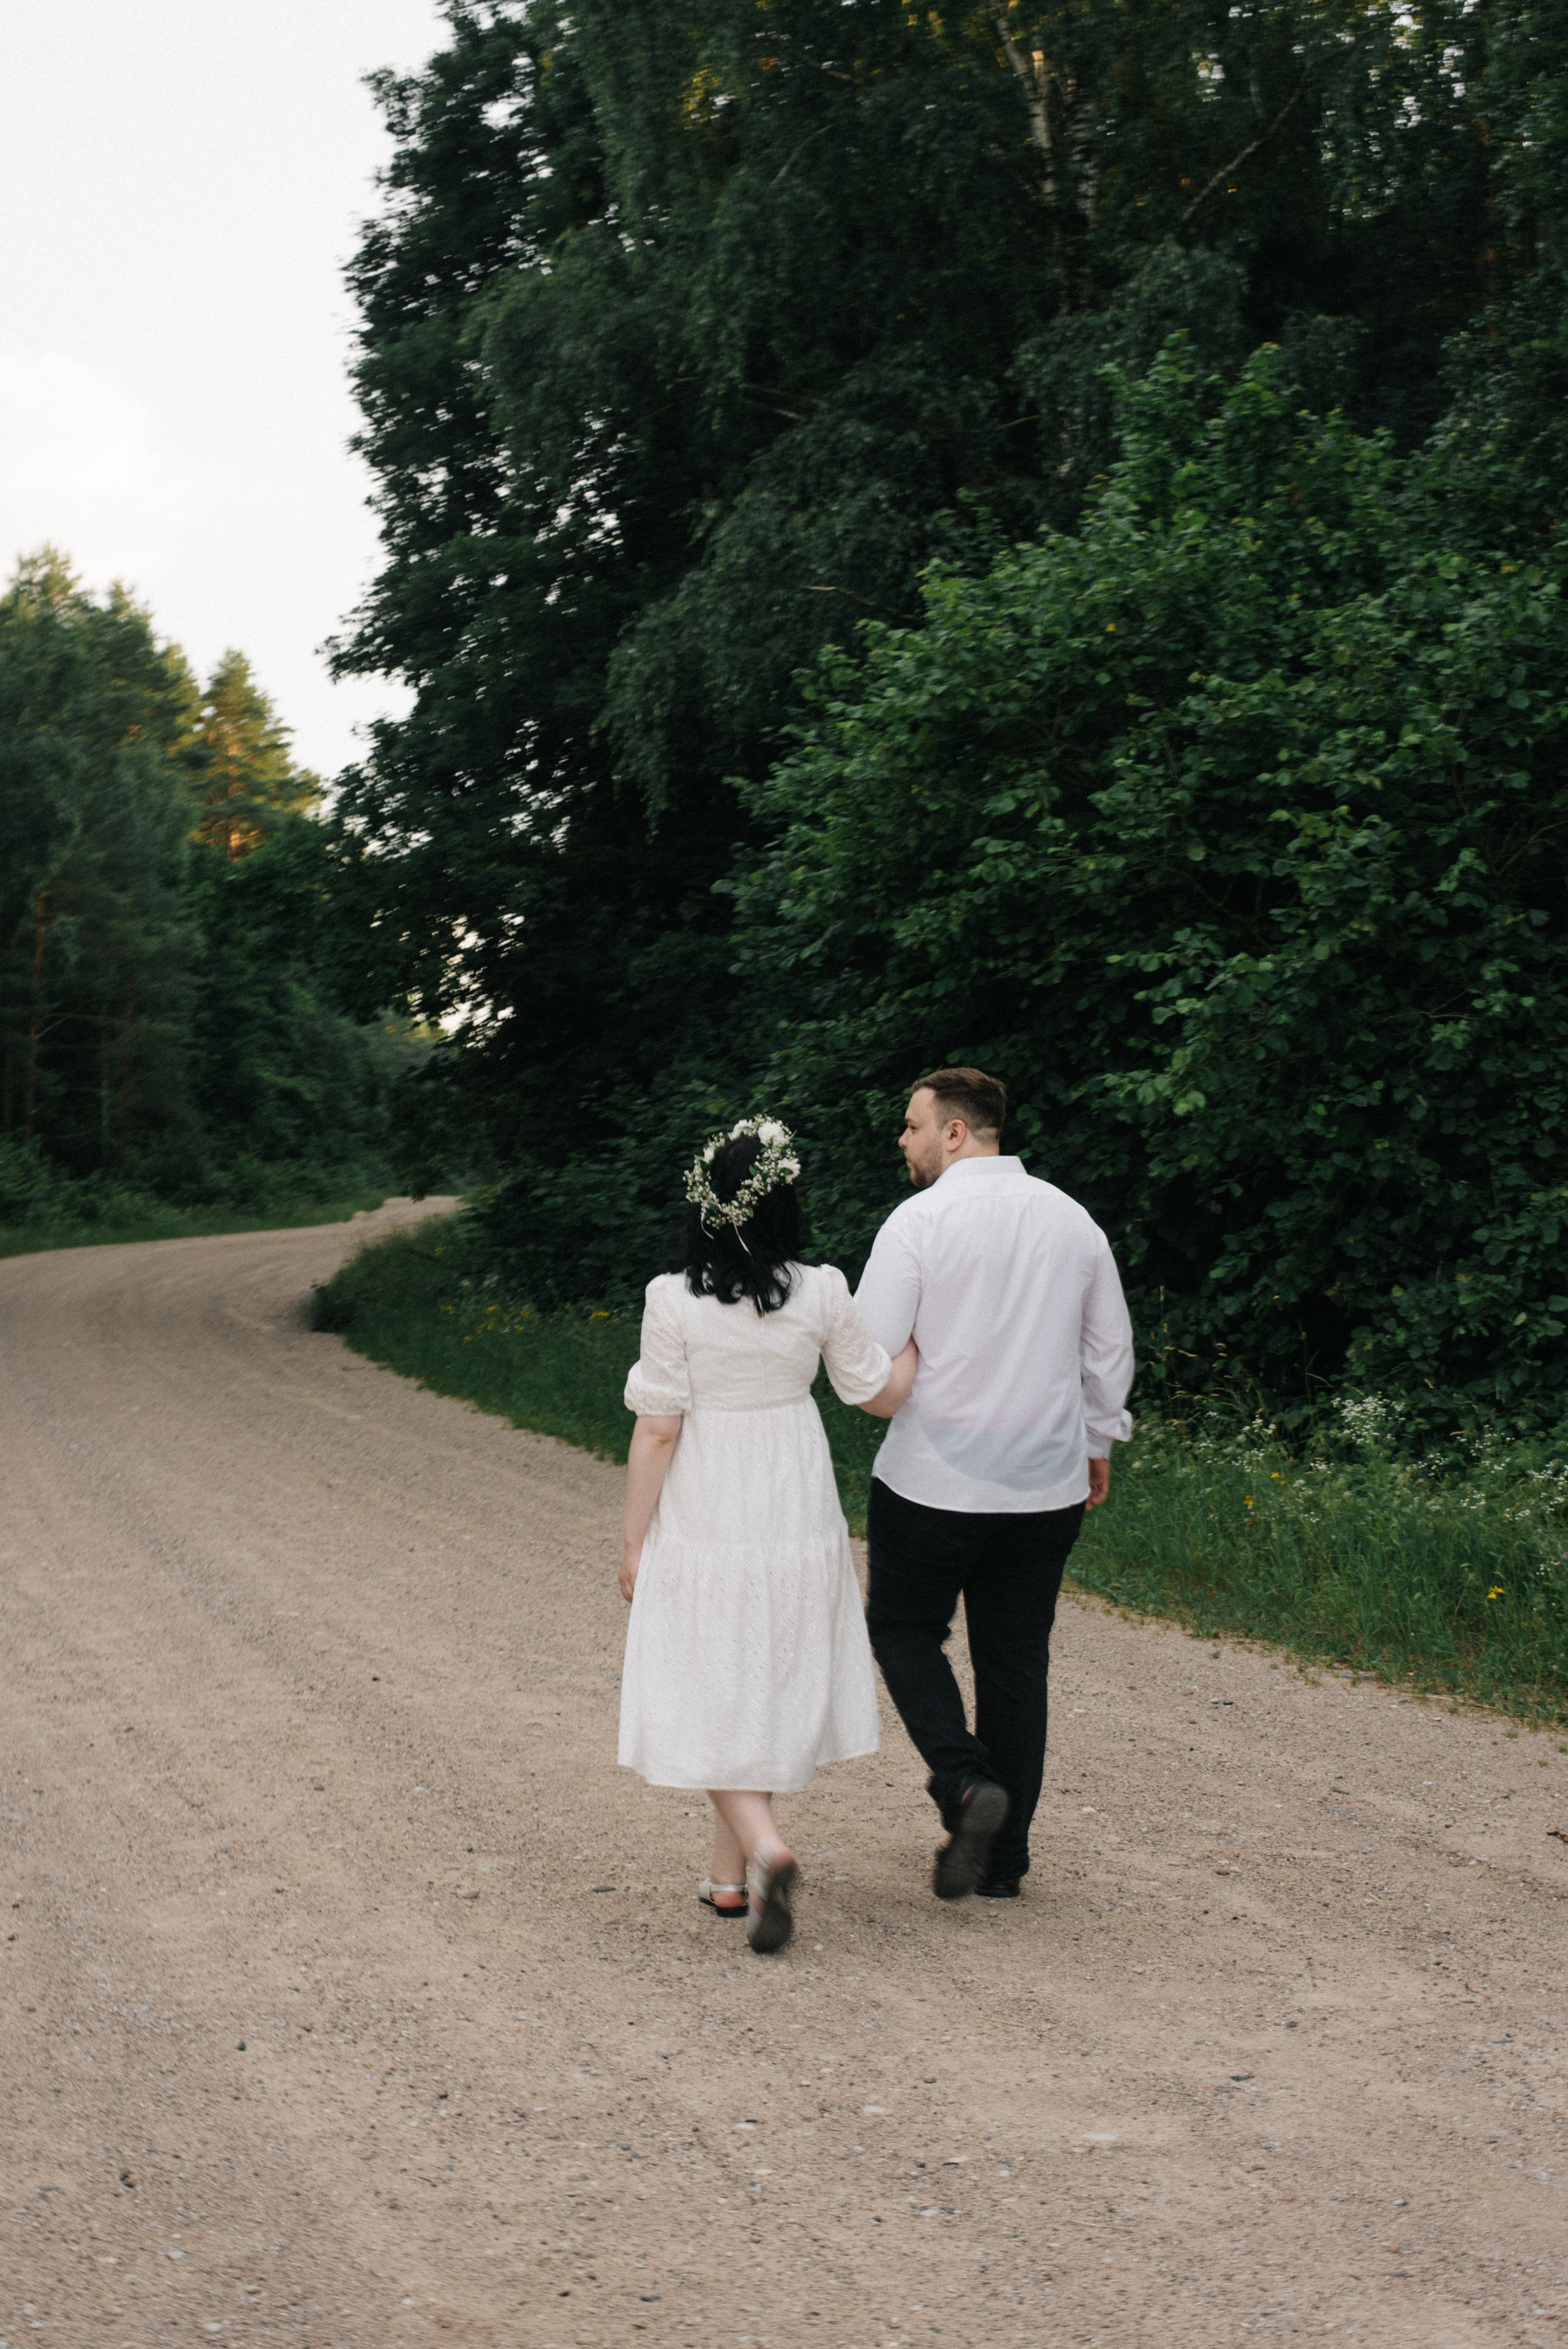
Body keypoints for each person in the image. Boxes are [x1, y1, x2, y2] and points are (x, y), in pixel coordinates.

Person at [617, 1117, 917, 1954]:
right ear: (785, 1201)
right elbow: (876, 1393)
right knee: (756, 1673)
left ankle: (767, 1850)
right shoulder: (822, 1288)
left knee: (703, 1675)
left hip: (711, 1499)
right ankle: (727, 1882)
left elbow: (658, 1431)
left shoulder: (671, 1299)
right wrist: (923, 1341)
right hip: (792, 1496)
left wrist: (635, 1539)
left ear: (704, 1206)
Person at [854, 1067, 1134, 1902]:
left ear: (954, 1132)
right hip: (1045, 1482)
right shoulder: (1072, 1220)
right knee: (1015, 1662)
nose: (901, 1141)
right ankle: (1004, 1863)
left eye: (911, 1126)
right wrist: (1098, 1440)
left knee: (904, 1630)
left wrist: (897, 1374)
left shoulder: (918, 1223)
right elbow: (1107, 1347)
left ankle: (967, 1784)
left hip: (932, 1480)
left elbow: (868, 1354)